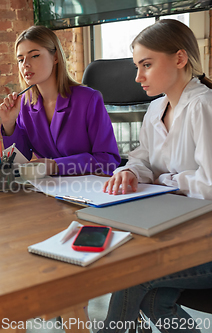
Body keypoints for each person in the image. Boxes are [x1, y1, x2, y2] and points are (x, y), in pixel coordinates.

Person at [101, 19, 212, 333]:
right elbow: (142, 159)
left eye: (146, 65)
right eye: (137, 66)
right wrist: (128, 171)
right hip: (178, 231)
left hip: (205, 241)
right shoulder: (155, 110)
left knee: (132, 274)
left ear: (179, 59)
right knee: (154, 302)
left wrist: (166, 182)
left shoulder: (203, 107)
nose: (138, 77)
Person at [0, 25, 120, 176]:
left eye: (34, 55)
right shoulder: (24, 105)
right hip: (47, 191)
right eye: (20, 59)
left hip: (89, 189)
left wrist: (55, 166)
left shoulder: (88, 99)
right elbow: (18, 163)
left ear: (55, 57)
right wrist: (9, 125)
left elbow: (108, 161)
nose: (25, 65)